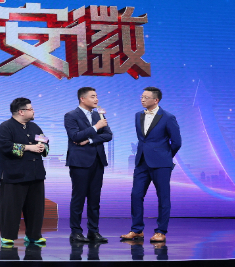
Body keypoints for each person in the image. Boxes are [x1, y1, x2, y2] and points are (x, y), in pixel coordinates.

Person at [120, 87, 182, 243]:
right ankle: (137, 230)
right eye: (141, 97)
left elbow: (177, 142)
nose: (142, 100)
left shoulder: (168, 117)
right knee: (136, 195)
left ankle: (161, 231)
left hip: (161, 163)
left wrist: (165, 156)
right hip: (142, 162)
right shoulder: (138, 115)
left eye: (146, 97)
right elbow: (143, 139)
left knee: (163, 197)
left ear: (156, 100)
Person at [0, 97, 49, 246]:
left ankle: (34, 235)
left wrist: (43, 147)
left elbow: (45, 142)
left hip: (36, 173)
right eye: (31, 109)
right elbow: (5, 146)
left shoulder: (35, 127)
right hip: (14, 175)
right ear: (21, 111)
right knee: (11, 208)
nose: (33, 111)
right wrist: (28, 147)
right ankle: (8, 236)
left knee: (36, 208)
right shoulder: (5, 127)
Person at [63, 87, 113, 243]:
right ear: (82, 99)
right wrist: (96, 127)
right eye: (93, 96)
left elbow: (108, 135)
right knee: (78, 197)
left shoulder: (99, 115)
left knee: (94, 198)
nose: (96, 99)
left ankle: (93, 231)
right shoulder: (71, 115)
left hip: (97, 160)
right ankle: (76, 232)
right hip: (80, 162)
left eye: (97, 96)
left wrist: (90, 140)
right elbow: (75, 136)